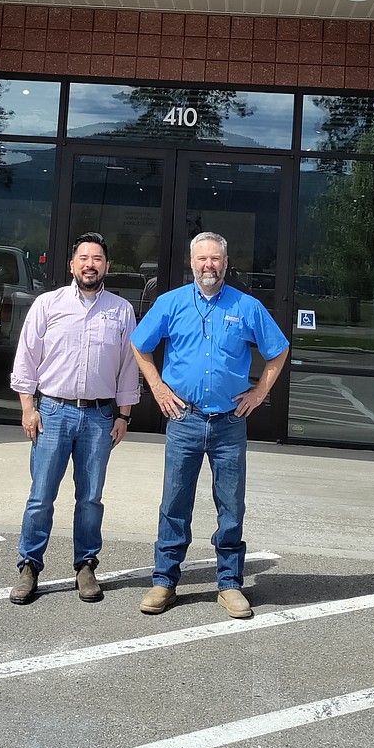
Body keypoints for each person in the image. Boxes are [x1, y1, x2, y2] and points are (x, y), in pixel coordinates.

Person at [131, 231, 290, 620]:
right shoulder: (170, 303)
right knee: (174, 504)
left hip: (228, 424)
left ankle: (230, 584)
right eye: (202, 259)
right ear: (191, 262)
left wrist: (258, 394)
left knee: (231, 506)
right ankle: (164, 581)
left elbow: (279, 350)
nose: (209, 265)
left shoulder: (247, 307)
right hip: (183, 419)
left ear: (226, 261)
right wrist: (158, 388)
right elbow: (140, 344)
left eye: (215, 259)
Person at [9, 232, 139, 605]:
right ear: (71, 265)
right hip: (52, 412)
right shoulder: (48, 305)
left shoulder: (120, 310)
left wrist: (124, 415)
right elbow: (27, 358)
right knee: (40, 497)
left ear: (107, 267)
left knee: (91, 499)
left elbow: (129, 366)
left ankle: (85, 566)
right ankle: (29, 566)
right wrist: (28, 408)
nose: (90, 264)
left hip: (99, 418)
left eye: (97, 259)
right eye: (83, 258)